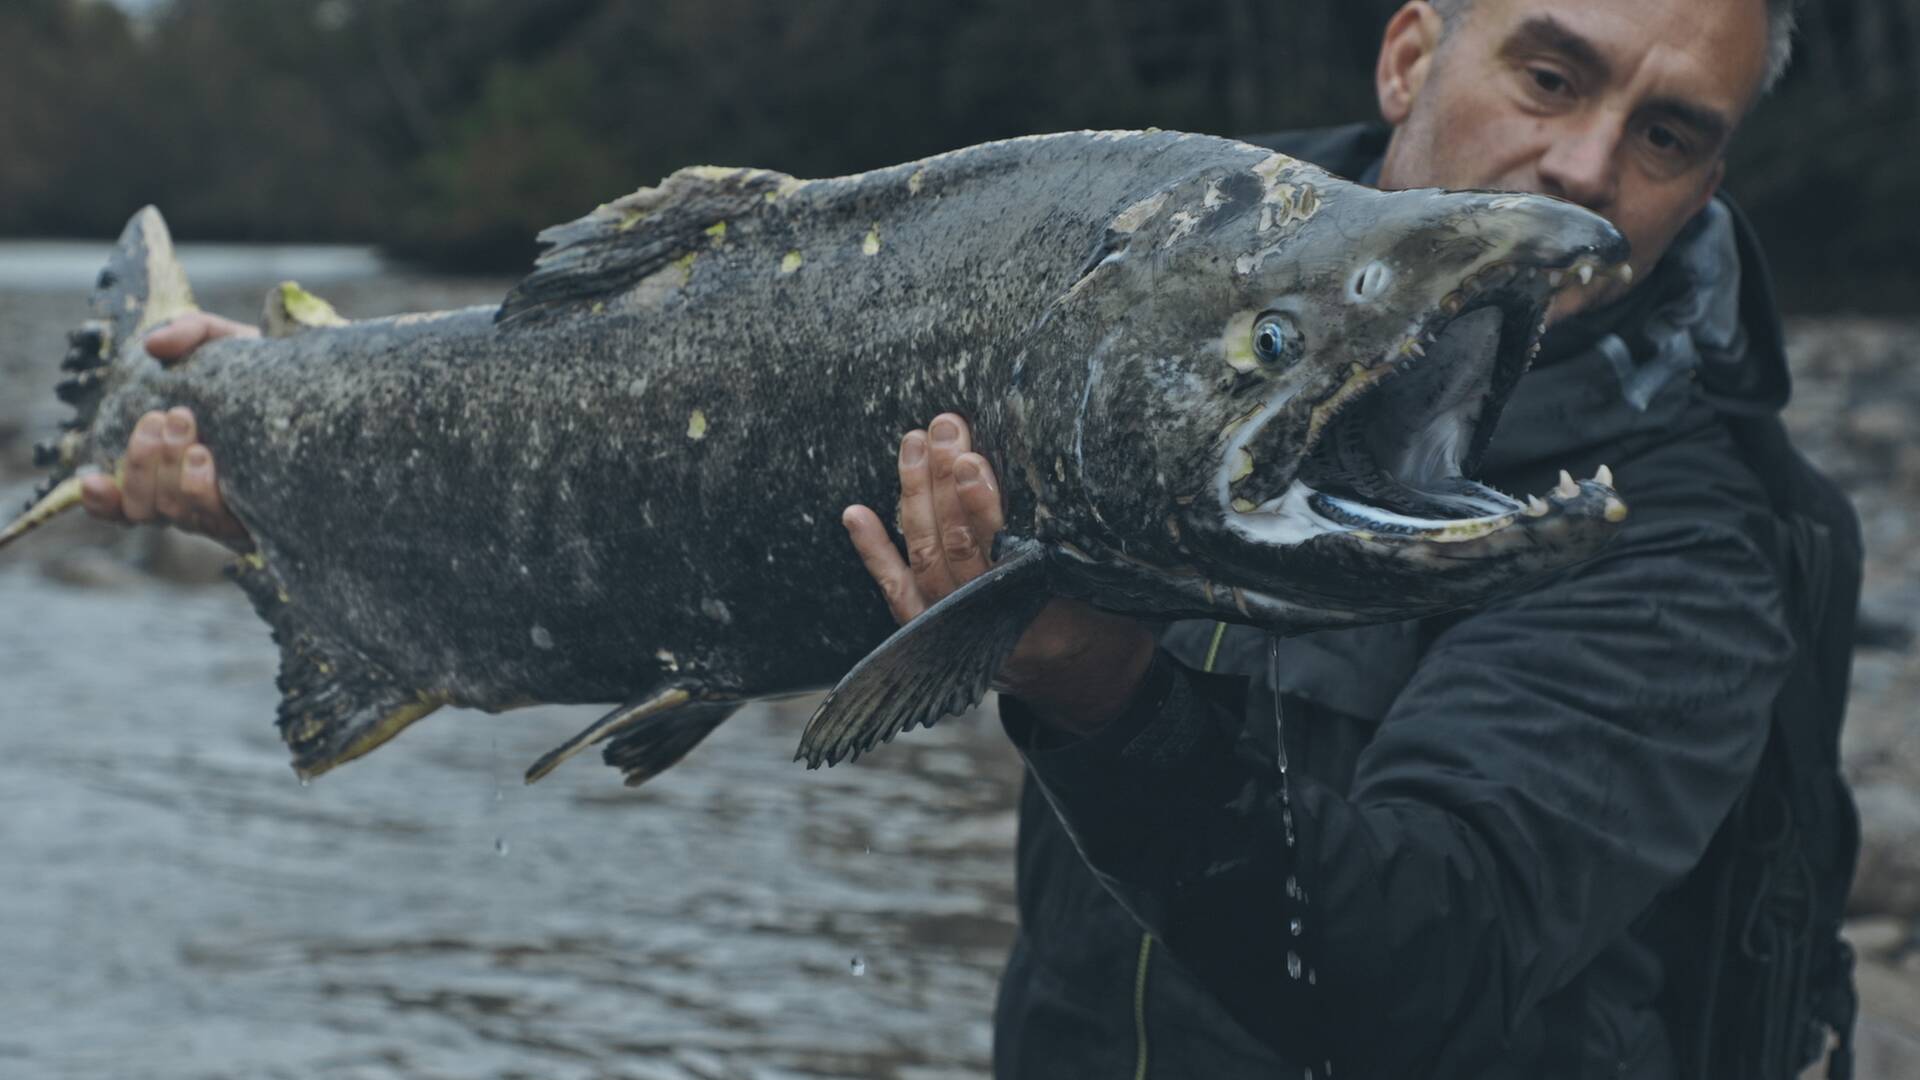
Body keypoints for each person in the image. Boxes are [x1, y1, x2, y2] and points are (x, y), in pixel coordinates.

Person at [90, 0, 1836, 1076]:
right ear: (1409, 48)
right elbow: (613, 446)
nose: (1585, 166)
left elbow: (1404, 997)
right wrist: (296, 448)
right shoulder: (1128, 259)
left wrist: (1087, 672)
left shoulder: (1687, 541)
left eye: (1670, 133)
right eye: (1550, 72)